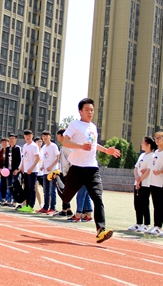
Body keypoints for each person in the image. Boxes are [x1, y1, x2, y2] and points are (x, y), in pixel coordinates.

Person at [60, 98, 121, 243]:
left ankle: (101, 230)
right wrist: (80, 146)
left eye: (92, 110)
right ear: (80, 111)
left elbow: (93, 145)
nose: (90, 112)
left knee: (98, 198)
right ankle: (56, 177)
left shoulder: (93, 127)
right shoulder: (75, 124)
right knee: (66, 198)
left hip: (92, 168)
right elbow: (64, 141)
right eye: (87, 110)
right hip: (77, 168)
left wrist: (106, 150)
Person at [128, 137, 156, 232]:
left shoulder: (152, 156)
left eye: (143, 143)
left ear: (148, 145)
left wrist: (140, 180)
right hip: (138, 182)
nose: (141, 144)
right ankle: (138, 222)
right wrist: (137, 178)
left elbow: (148, 170)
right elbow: (136, 168)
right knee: (137, 203)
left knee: (144, 203)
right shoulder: (142, 155)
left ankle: (146, 224)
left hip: (146, 183)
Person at [146, 132, 163, 235]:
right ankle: (155, 225)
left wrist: (160, 171)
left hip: (161, 183)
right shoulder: (156, 152)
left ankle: (159, 226)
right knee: (155, 205)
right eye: (156, 138)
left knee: (160, 205)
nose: (157, 140)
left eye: (159, 138)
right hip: (153, 181)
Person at [53, 129, 73, 217]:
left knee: (63, 192)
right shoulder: (63, 146)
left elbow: (71, 159)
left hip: (67, 173)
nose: (57, 137)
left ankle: (64, 210)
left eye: (58, 135)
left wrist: (70, 171)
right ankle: (68, 209)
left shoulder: (67, 147)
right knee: (64, 191)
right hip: (63, 172)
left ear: (62, 136)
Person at [18, 129, 39, 213]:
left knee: (31, 188)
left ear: (32, 136)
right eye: (26, 136)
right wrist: (21, 168)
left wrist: (31, 168)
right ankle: (26, 205)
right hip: (26, 170)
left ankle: (31, 206)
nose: (28, 137)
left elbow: (37, 158)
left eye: (29, 136)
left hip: (33, 170)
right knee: (26, 188)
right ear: (24, 136)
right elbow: (23, 158)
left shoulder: (34, 146)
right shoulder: (25, 146)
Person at [40, 131, 60, 214]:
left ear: (50, 137)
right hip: (45, 172)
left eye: (46, 136)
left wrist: (51, 166)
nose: (45, 138)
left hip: (53, 172)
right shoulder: (44, 147)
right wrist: (42, 166)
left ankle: (53, 208)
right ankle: (45, 207)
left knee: (52, 190)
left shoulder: (53, 146)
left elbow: (58, 157)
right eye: (43, 136)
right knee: (46, 190)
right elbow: (44, 158)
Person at [4, 134, 22, 206]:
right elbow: (6, 159)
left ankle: (14, 201)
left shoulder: (17, 148)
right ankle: (8, 200)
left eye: (13, 139)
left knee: (14, 185)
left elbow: (20, 159)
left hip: (15, 170)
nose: (11, 140)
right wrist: (5, 168)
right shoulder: (7, 148)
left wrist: (17, 169)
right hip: (8, 170)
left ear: (16, 139)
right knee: (8, 185)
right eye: (10, 138)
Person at [0, 138, 9, 204]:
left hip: (10, 170)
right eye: (3, 142)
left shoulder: (10, 151)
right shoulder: (0, 152)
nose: (4, 144)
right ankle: (3, 199)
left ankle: (10, 199)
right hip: (3, 171)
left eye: (5, 142)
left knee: (9, 184)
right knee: (3, 184)